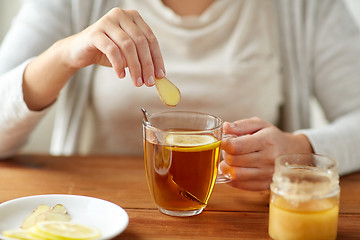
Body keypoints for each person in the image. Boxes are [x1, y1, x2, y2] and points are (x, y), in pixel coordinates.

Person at [1, 0, 360, 191]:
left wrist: (300, 150)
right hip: (97, 213)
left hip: (245, 220)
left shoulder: (307, 6)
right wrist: (63, 55)